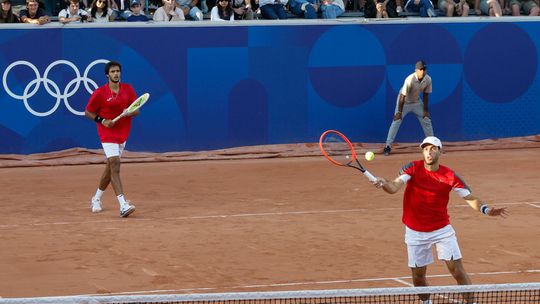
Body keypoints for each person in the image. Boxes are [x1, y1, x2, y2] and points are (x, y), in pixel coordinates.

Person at [372, 136, 508, 304]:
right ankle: (426, 303)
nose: (429, 152)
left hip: (441, 230)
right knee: (418, 277)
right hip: (415, 232)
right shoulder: (412, 168)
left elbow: (470, 197)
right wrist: (383, 182)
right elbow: (394, 186)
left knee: (457, 271)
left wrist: (486, 209)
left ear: (440, 151)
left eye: (433, 149)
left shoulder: (450, 175)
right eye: (426, 149)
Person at [85, 61, 138, 218]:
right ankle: (123, 205)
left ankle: (96, 198)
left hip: (122, 133)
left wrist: (130, 112)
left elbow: (137, 110)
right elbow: (88, 112)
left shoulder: (128, 89)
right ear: (107, 75)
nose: (116, 74)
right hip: (107, 132)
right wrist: (102, 121)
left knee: (110, 167)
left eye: (118, 71)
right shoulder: (100, 92)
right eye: (113, 71)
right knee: (115, 163)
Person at [383, 60, 434, 156]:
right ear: (416, 70)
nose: (423, 71)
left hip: (417, 102)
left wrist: (425, 111)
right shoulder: (409, 79)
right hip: (404, 102)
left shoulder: (428, 79)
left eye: (424, 69)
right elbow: (402, 96)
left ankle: (433, 144)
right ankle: (388, 146)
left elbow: (426, 94)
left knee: (426, 119)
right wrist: (399, 112)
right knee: (396, 121)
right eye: (421, 69)